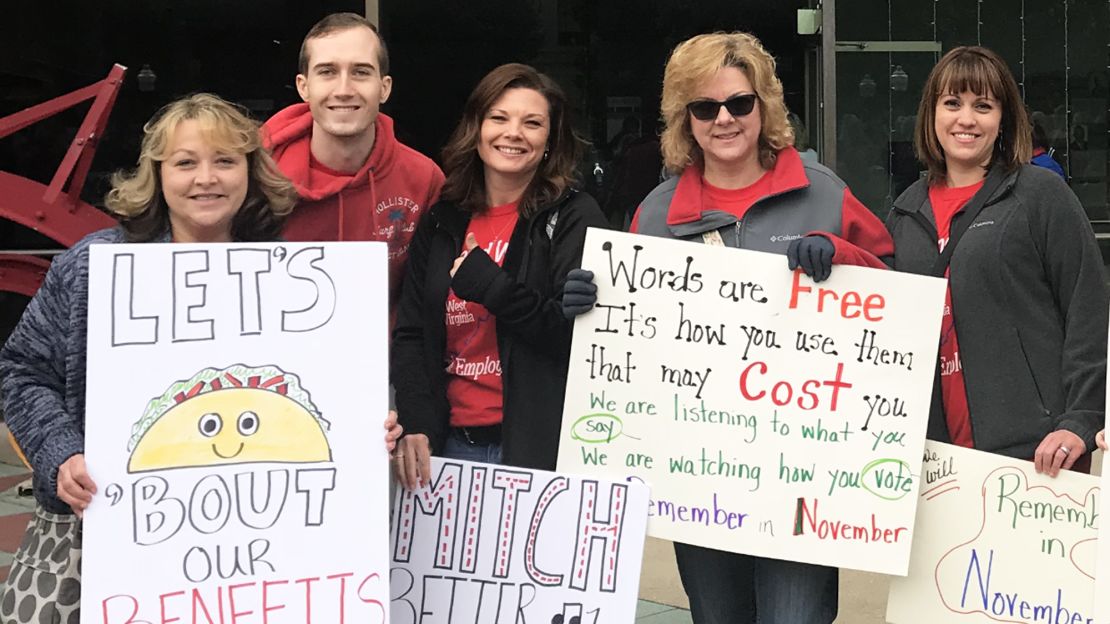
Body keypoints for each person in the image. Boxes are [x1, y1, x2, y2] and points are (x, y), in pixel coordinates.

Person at [0, 93, 403, 622]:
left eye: (225, 161)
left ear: (251, 172)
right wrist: (60, 452)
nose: (205, 178)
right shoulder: (94, 267)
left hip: (260, 563)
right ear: (158, 175)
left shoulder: (297, 281)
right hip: (103, 543)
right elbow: (21, 371)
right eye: (185, 163)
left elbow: (320, 399)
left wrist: (363, 433)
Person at [563, 32, 893, 624]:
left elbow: (897, 301)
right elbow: (628, 342)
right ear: (683, 119)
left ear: (763, 106)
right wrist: (592, 303)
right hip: (697, 477)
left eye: (739, 103)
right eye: (704, 106)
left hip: (804, 477)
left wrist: (846, 254)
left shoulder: (823, 193)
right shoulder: (657, 214)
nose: (724, 119)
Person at [886, 46, 1107, 478]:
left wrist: (1081, 419)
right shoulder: (904, 213)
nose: (966, 119)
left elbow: (1087, 308)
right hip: (936, 462)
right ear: (931, 114)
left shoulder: (1040, 196)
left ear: (1003, 119)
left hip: (1038, 457)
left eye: (983, 106)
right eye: (952, 103)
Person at [391, 63, 608, 489]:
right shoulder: (443, 220)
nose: (514, 133)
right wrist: (417, 420)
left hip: (540, 452)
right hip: (450, 451)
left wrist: (493, 288)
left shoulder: (574, 216)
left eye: (532, 123)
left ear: (550, 140)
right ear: (476, 128)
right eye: (499, 118)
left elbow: (581, 342)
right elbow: (412, 332)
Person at [264, 13, 445, 312]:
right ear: (303, 86)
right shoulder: (258, 175)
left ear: (384, 87)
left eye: (361, 72)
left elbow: (429, 297)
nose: (344, 89)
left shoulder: (423, 179)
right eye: (327, 72)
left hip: (385, 356)